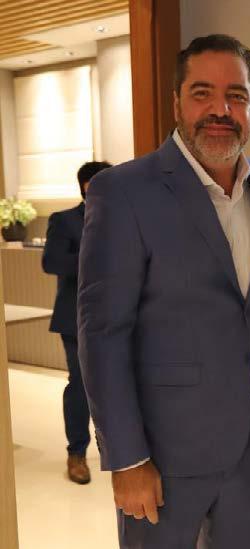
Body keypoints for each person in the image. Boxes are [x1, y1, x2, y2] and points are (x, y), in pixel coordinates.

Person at [77, 34, 250, 548]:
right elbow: (103, 335)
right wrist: (127, 458)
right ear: (176, 102)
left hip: (247, 443)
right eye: (202, 93)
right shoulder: (123, 191)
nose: (221, 110)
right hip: (162, 453)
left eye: (236, 95)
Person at [42, 160, 111, 484]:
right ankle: (77, 453)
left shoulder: (125, 218)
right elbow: (52, 262)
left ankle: (121, 449)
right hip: (76, 318)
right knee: (81, 386)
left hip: (121, 316)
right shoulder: (64, 220)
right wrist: (97, 259)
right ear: (86, 186)